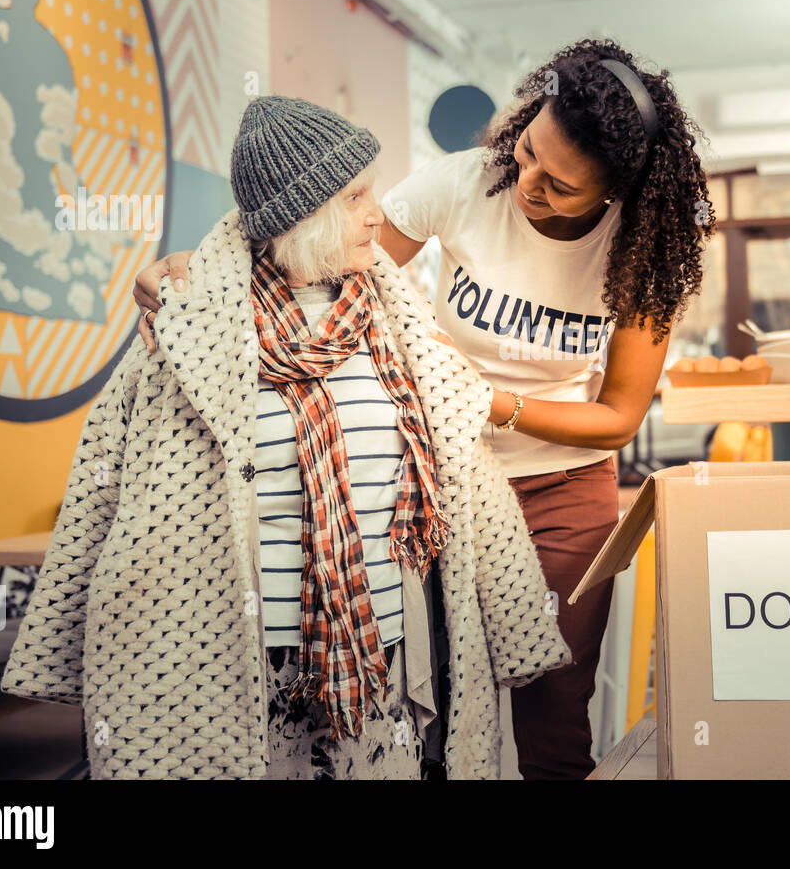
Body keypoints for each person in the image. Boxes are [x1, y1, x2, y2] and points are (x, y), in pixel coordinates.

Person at [132, 39, 715, 779]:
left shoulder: (644, 247)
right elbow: (327, 258)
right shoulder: (467, 182)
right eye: (529, 149)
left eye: (559, 185)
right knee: (440, 689)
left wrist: (489, 405)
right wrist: (188, 271)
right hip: (442, 484)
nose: (528, 181)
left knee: (554, 707)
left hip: (567, 491)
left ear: (614, 192)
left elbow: (618, 418)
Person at [3, 96, 570, 779]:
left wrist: (518, 626)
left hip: (382, 651)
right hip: (236, 667)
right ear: (301, 216)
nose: (375, 212)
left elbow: (469, 476)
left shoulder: (399, 328)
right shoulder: (190, 332)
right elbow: (103, 481)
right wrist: (61, 642)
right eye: (355, 195)